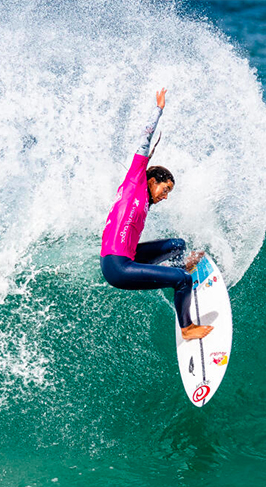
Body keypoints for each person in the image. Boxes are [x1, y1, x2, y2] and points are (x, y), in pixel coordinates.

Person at [100, 88, 213, 340]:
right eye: (165, 188)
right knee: (183, 279)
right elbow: (145, 139)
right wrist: (158, 109)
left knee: (177, 244)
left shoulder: (144, 200)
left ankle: (179, 272)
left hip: (125, 256)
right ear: (152, 180)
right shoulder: (135, 181)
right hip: (117, 266)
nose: (166, 195)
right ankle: (188, 328)